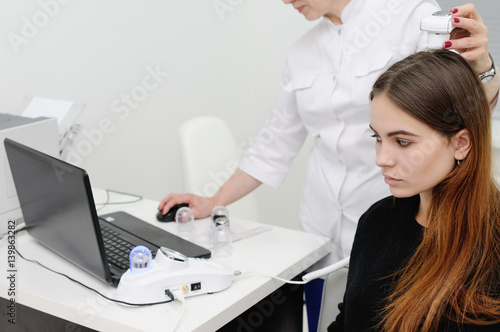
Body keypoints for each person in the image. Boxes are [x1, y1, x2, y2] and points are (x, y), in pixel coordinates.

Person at [159, 1, 499, 330]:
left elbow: (460, 107)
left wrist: (483, 67)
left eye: (401, 141)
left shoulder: (410, 15)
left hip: (404, 214)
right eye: (376, 138)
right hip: (329, 220)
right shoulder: (302, 53)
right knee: (341, 311)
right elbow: (275, 140)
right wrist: (212, 200)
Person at [328, 49, 500, 331]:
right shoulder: (377, 220)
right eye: (377, 138)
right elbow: (347, 322)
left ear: (460, 144)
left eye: (403, 142)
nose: (381, 158)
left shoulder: (492, 245)